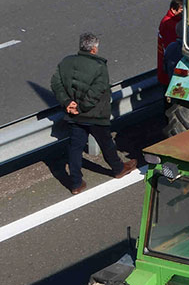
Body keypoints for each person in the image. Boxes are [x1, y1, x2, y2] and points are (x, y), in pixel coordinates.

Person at [51, 33, 137, 195]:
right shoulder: (99, 66)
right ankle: (118, 168)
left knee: (75, 147)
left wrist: (68, 102)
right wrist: (82, 107)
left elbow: (56, 83)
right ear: (94, 48)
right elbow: (97, 90)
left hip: (75, 115)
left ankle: (76, 183)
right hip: (95, 115)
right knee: (106, 143)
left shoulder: (66, 62)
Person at [157, 0, 183, 87]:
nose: (183, 13)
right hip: (170, 63)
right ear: (173, 9)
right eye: (181, 10)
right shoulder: (169, 24)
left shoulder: (173, 21)